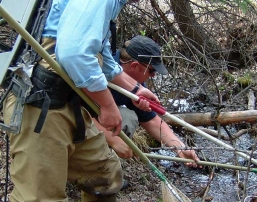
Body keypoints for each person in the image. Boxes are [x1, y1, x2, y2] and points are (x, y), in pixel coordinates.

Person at [3, 0, 158, 201]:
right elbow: (75, 55)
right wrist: (108, 105)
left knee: (104, 175)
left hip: (68, 104)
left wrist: (135, 89)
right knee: (39, 197)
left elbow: (101, 53)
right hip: (40, 107)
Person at [94, 36, 201, 168]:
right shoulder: (98, 69)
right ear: (134, 66)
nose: (153, 76)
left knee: (126, 118)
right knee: (127, 118)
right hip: (73, 117)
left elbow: (151, 121)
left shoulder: (136, 84)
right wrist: (112, 139)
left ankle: (102, 164)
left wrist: (180, 148)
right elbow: (76, 111)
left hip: (96, 118)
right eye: (151, 71)